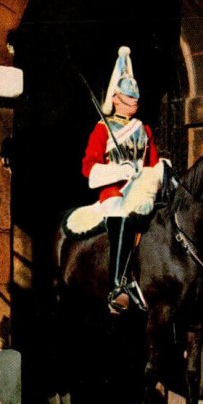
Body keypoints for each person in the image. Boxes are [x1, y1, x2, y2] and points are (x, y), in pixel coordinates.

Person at [82, 46, 161, 314]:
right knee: (123, 215)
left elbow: (152, 163)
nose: (134, 105)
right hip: (113, 194)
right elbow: (89, 169)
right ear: (116, 98)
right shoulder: (102, 129)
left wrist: (157, 174)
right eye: (128, 99)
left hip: (141, 192)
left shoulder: (144, 129)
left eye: (135, 100)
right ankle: (117, 286)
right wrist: (120, 171)